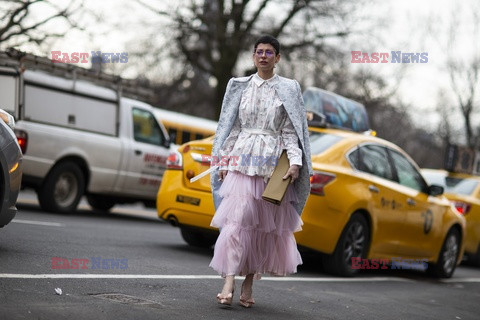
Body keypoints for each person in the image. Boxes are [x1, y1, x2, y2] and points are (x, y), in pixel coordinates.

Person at [209, 35, 313, 308]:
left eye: (269, 52)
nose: (263, 56)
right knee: (236, 224)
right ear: (253, 56)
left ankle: (249, 284)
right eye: (259, 52)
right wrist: (224, 161)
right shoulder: (240, 86)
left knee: (263, 231)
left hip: (271, 169)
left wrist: (295, 162)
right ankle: (228, 282)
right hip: (243, 162)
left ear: (277, 58)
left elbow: (292, 131)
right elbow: (231, 128)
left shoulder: (288, 89)